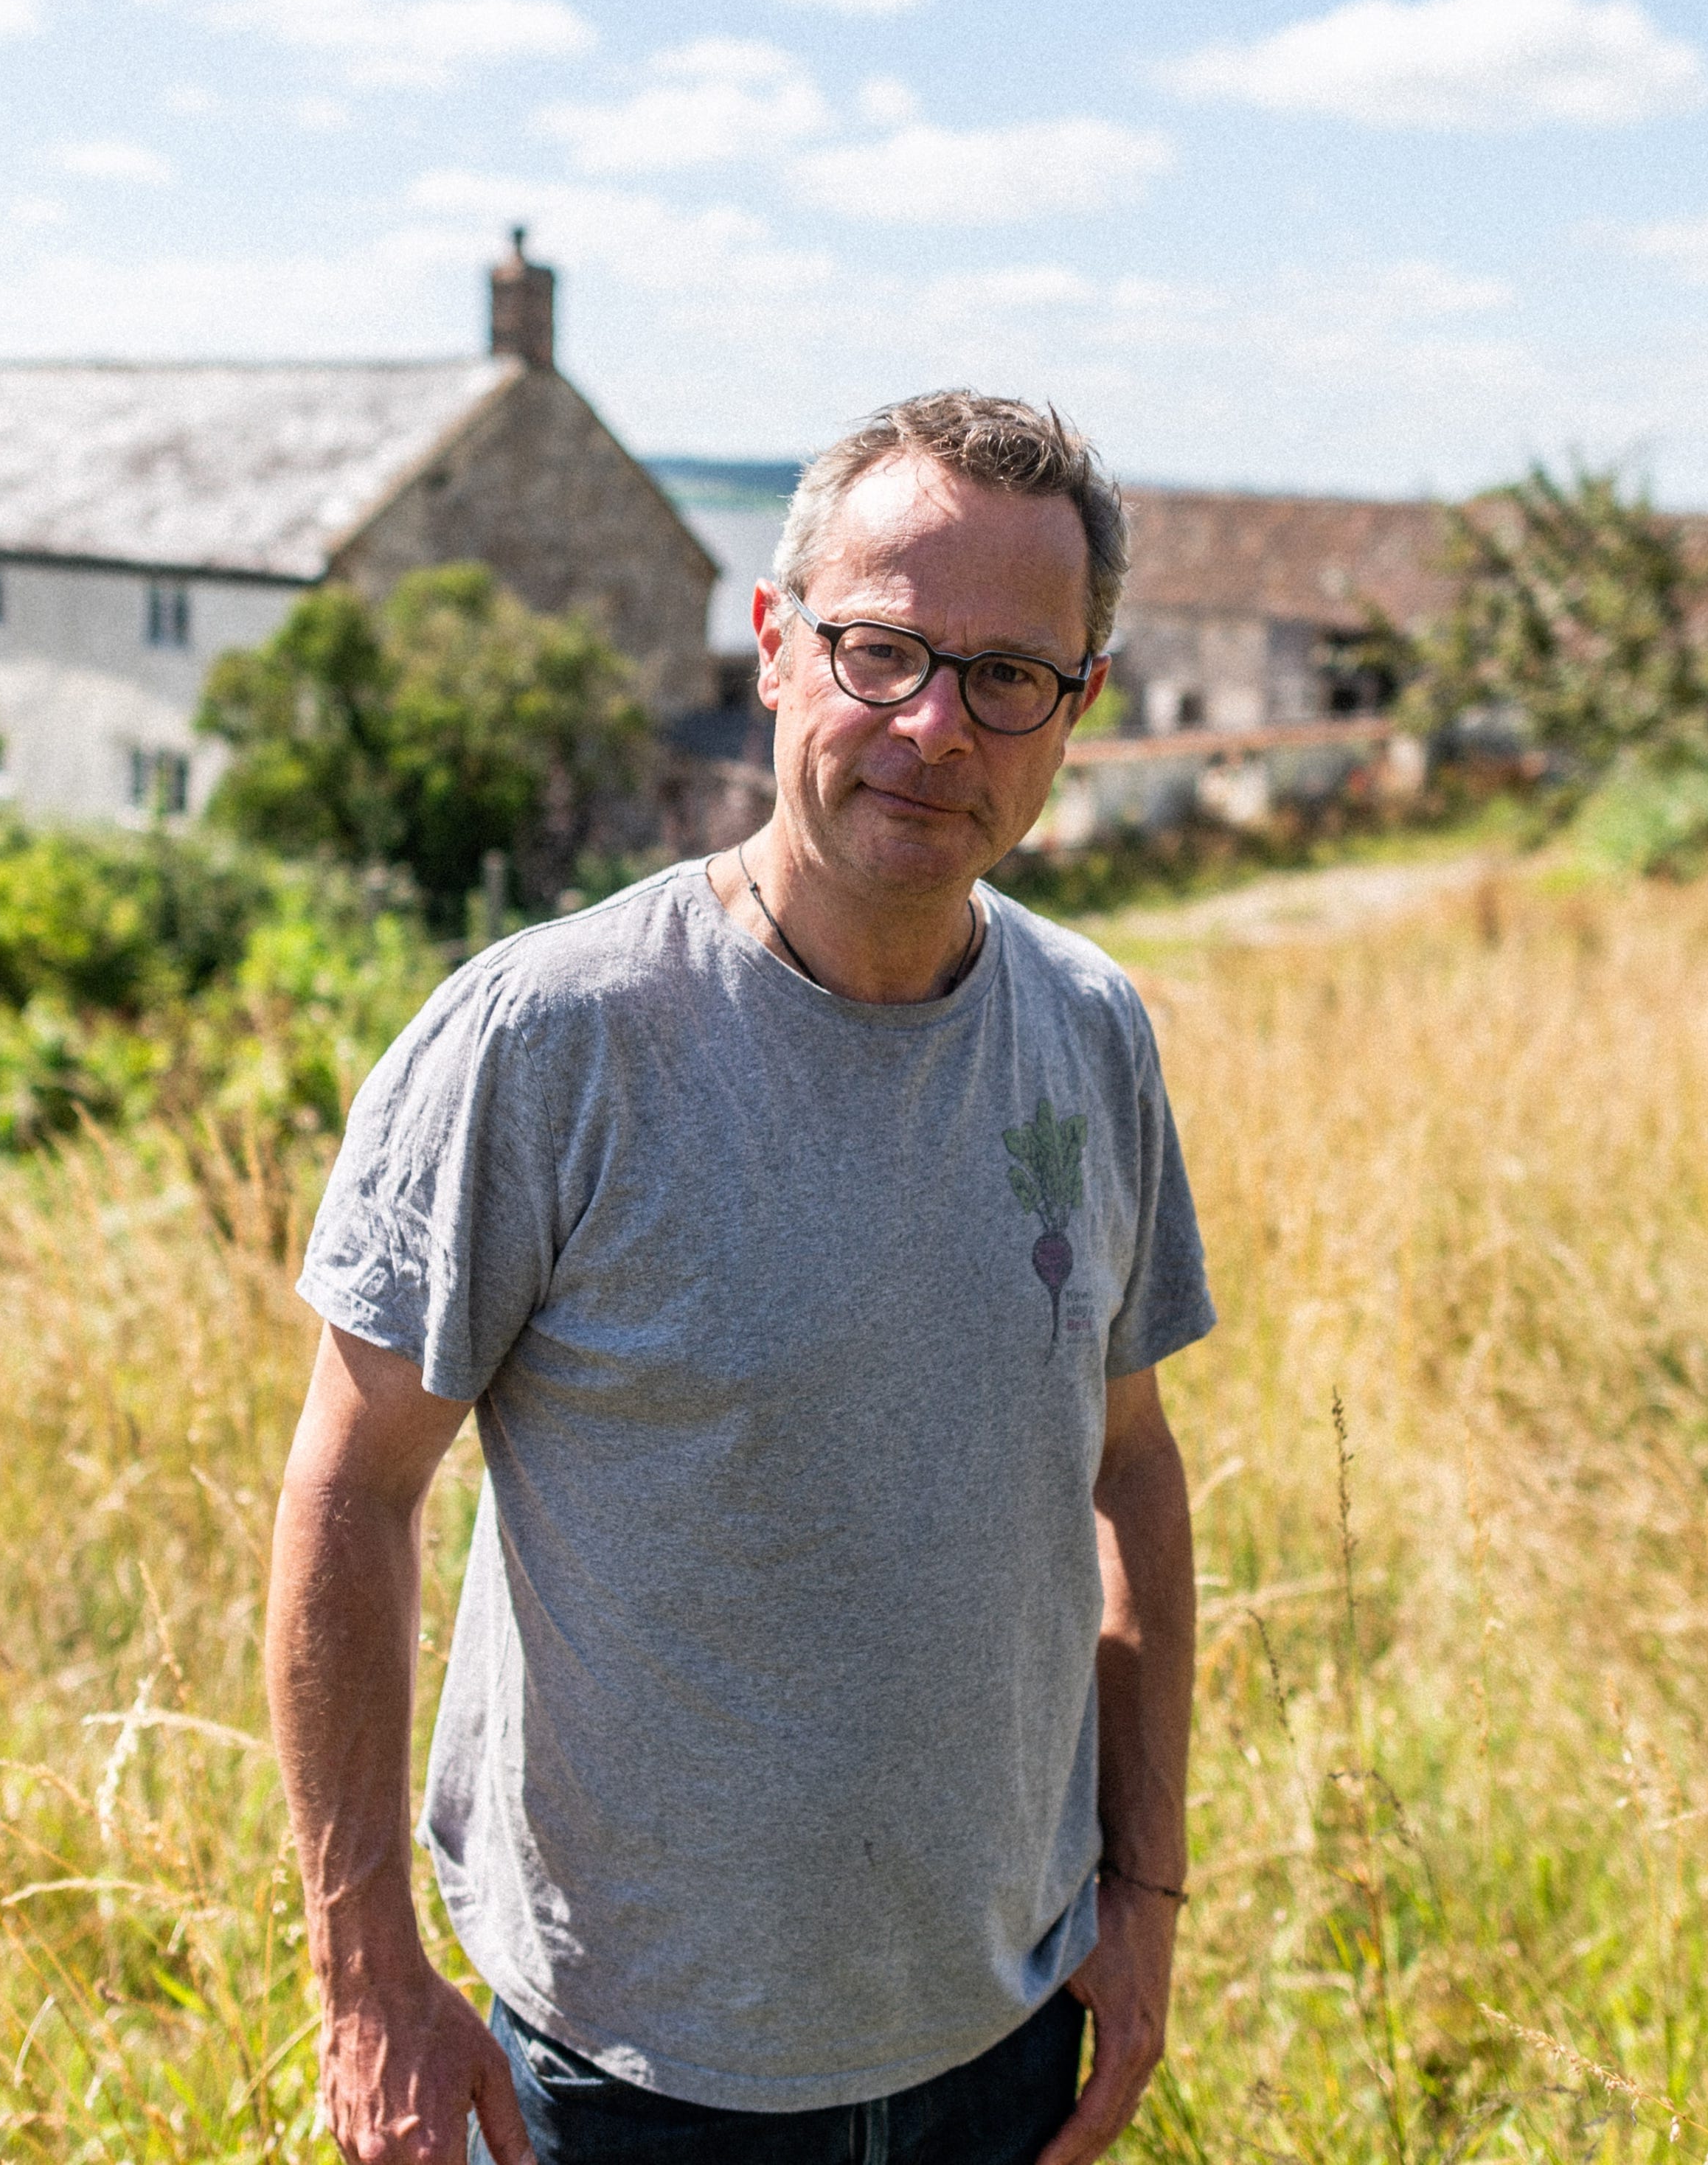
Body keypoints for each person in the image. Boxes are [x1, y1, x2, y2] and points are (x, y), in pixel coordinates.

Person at [266, 390, 1213, 2165]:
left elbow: (1129, 1468)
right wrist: (368, 1975)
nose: (935, 724)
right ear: (775, 647)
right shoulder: (547, 1041)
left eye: (1008, 674)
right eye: (880, 651)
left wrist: (1144, 1891)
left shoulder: (1088, 1033)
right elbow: (349, 1485)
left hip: (1003, 2039)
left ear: (1075, 709)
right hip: (629, 2075)